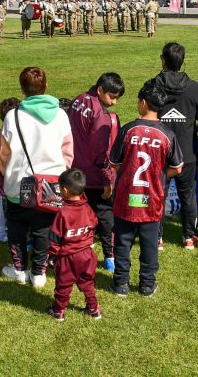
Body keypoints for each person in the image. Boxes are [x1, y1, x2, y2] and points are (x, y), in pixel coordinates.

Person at [0, 67, 73, 289]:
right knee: (43, 228)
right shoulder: (60, 115)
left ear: (22, 89)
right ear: (46, 86)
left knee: (17, 226)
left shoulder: (13, 116)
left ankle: (20, 269)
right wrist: (60, 173)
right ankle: (39, 272)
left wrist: (8, 175)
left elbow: (3, 153)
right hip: (51, 181)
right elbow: (68, 151)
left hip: (19, 182)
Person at [109, 80, 183, 297]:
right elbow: (177, 168)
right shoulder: (167, 134)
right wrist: (159, 174)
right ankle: (147, 285)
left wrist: (129, 171)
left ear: (142, 103)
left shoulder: (128, 130)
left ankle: (121, 283)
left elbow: (114, 162)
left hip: (126, 198)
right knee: (150, 244)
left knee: (123, 242)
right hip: (152, 199)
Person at [67, 73, 124, 270]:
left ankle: (81, 253)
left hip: (75, 172)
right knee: (105, 215)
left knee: (81, 216)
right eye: (112, 97)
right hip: (94, 176)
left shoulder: (78, 100)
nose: (114, 103)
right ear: (100, 90)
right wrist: (108, 179)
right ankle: (110, 256)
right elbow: (100, 154)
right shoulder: (102, 117)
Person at [151, 42, 198, 250]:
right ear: (182, 62)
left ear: (163, 60)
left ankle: (157, 238)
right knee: (187, 194)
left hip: (160, 149)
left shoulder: (153, 85)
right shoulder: (194, 87)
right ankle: (189, 237)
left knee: (158, 194)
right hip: (186, 149)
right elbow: (197, 113)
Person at [46, 168, 102, 321]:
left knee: (63, 285)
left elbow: (55, 238)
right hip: (87, 255)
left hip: (68, 257)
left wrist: (52, 256)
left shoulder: (63, 213)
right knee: (87, 283)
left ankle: (58, 311)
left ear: (64, 190)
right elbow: (94, 225)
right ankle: (93, 308)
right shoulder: (88, 209)